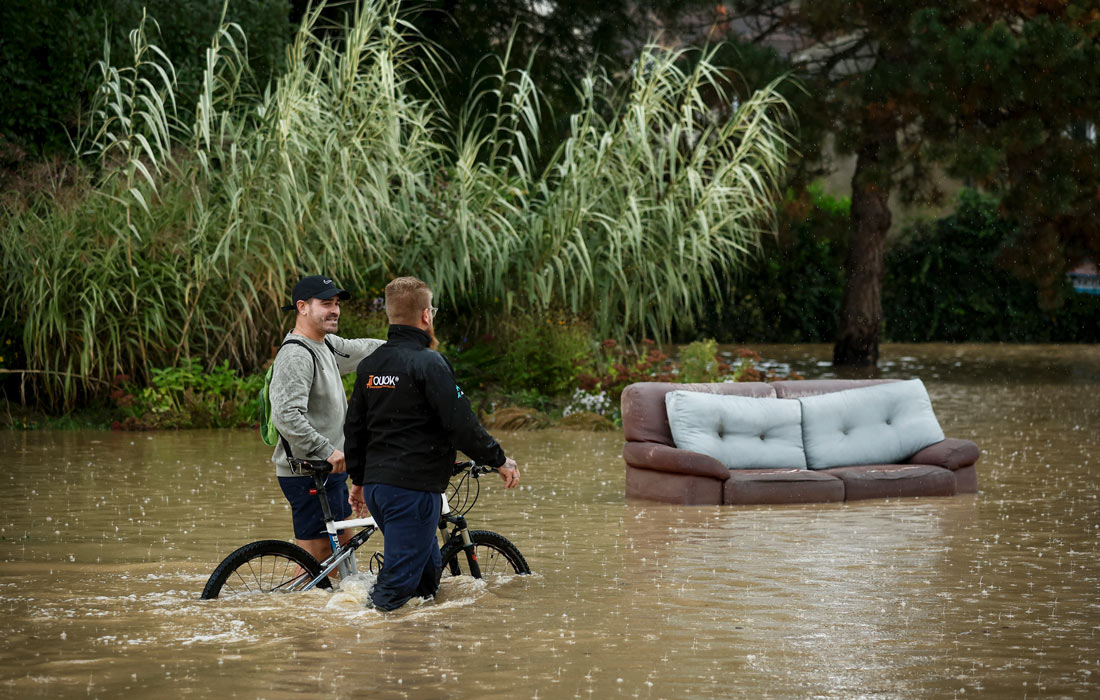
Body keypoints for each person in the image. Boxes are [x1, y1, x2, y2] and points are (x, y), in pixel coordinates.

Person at [344, 276, 520, 611]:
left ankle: (419, 649)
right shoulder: (429, 362)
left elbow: (355, 429)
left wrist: (359, 481)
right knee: (394, 589)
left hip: (381, 491)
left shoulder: (371, 366)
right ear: (426, 315)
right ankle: (359, 649)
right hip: (412, 491)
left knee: (426, 579)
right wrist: (499, 460)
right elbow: (461, 424)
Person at [270, 275, 384, 566]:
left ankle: (328, 610)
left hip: (330, 471)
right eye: (325, 304)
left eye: (336, 304)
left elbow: (362, 349)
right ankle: (290, 609)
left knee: (341, 563)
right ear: (302, 307)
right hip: (308, 471)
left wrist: (405, 345)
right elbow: (286, 416)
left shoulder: (328, 344)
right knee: (316, 563)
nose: (334, 310)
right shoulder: (296, 354)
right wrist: (327, 450)